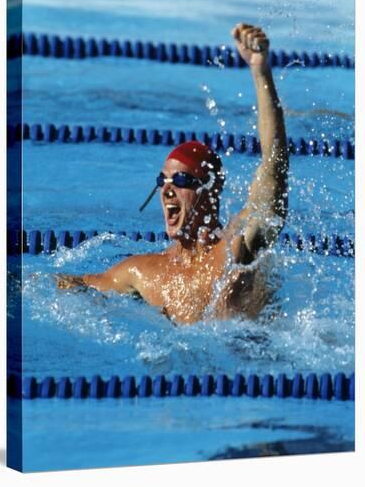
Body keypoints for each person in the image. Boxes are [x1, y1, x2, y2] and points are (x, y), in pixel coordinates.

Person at [55, 23, 289, 324]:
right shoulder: (144, 272)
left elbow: (274, 170)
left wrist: (261, 71)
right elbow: (73, 284)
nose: (167, 190)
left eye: (181, 180)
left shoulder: (235, 248)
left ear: (211, 190)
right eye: (162, 181)